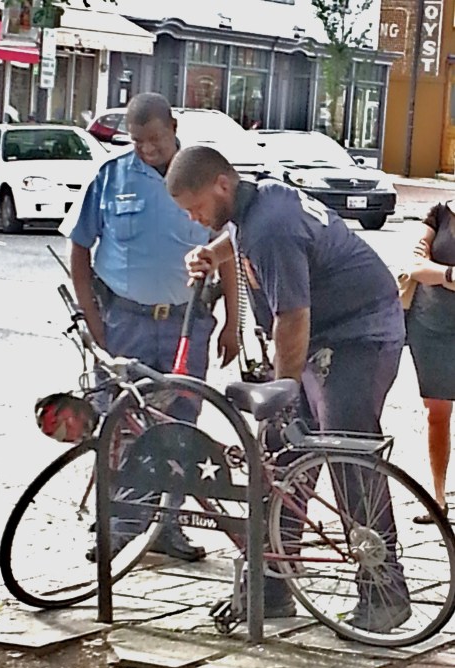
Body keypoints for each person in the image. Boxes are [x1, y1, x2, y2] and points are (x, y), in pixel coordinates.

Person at [166, 145, 411, 632]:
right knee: (280, 455)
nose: (196, 221)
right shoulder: (258, 202)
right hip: (328, 331)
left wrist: (281, 390)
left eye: (196, 210)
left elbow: (291, 318)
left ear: (221, 185)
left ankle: (385, 588)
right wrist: (213, 254)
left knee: (343, 450)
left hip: (360, 333)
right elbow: (237, 237)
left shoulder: (271, 227)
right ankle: (272, 582)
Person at [61, 94, 239, 562]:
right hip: (126, 322)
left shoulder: (198, 176)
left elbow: (229, 249)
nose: (146, 149)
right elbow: (80, 248)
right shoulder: (110, 176)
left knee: (179, 428)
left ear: (173, 127)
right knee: (120, 424)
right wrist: (94, 320)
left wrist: (233, 324)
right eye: (137, 141)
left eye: (155, 139)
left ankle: (166, 524)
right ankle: (115, 524)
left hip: (187, 323)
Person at [404, 201, 455, 523]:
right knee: (437, 414)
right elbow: (415, 267)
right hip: (431, 327)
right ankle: (438, 499)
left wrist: (438, 276)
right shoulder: (441, 212)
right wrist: (450, 274)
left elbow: (427, 270)